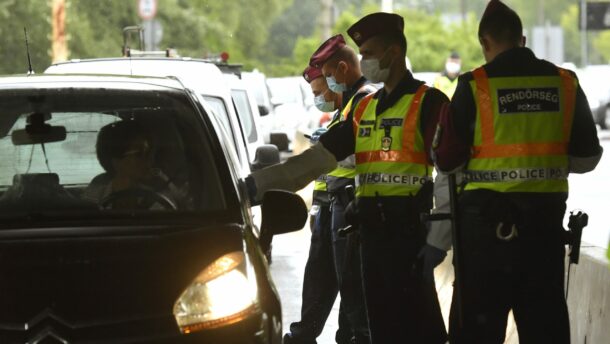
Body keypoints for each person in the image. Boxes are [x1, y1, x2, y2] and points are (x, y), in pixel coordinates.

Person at [248, 12, 450, 343]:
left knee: (421, 331)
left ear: (393, 53)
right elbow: (315, 161)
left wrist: (439, 240)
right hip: (369, 239)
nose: (364, 61)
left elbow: (449, 175)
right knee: (375, 329)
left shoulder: (428, 103)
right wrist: (255, 187)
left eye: (369, 53)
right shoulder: (363, 108)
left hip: (411, 239)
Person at [432, 1, 603, 343]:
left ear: (485, 43)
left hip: (483, 240)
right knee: (544, 329)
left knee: (477, 333)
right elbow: (587, 158)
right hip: (543, 235)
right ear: (522, 40)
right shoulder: (565, 83)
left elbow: (447, 161)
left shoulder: (474, 85)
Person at [283, 66, 353, 344]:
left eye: (319, 91)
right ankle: (304, 335)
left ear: (333, 84)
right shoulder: (339, 114)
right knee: (319, 280)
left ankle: (347, 337)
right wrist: (317, 208)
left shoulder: (359, 104)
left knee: (348, 284)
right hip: (328, 207)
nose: (317, 98)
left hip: (347, 207)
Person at [84, 120, 186, 209]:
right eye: (139, 154)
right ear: (116, 161)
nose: (150, 159)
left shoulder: (161, 187)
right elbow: (86, 221)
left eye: (149, 152)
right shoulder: (98, 187)